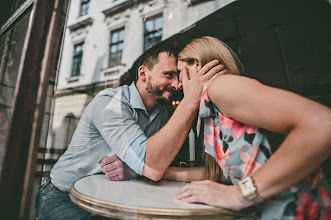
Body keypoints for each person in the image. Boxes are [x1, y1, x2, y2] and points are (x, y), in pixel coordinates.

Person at [104, 36, 331, 219]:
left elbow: (322, 125)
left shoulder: (220, 87)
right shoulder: (210, 110)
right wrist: (152, 173)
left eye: (180, 73)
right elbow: (222, 175)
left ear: (198, 65)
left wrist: (241, 194)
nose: (178, 85)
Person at [34, 41, 225, 219]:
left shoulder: (161, 113)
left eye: (178, 76)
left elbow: (152, 163)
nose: (177, 84)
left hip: (111, 197)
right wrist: (191, 100)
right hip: (63, 196)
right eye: (168, 75)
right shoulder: (111, 103)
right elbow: (152, 167)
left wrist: (133, 169)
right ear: (143, 73)